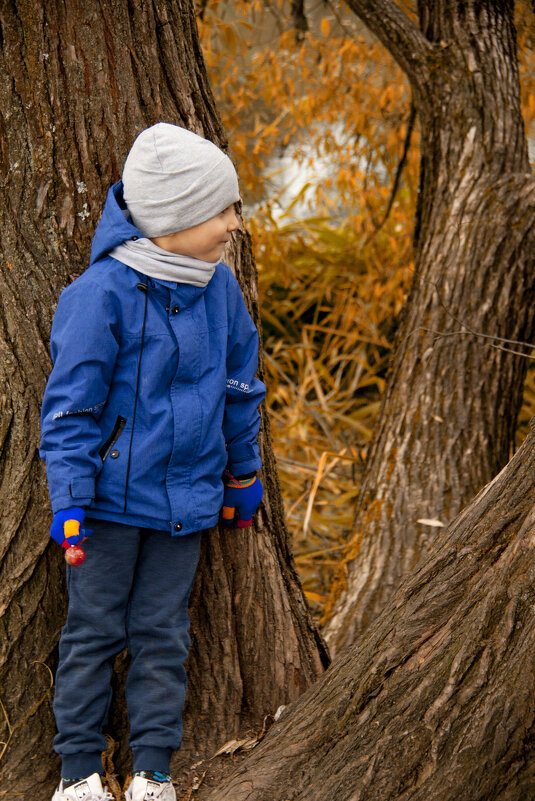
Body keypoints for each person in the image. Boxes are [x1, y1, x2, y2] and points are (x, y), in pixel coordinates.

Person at [40, 123, 265, 801]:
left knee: (164, 635)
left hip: (185, 506)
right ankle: (78, 772)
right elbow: (70, 409)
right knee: (92, 634)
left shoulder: (220, 291)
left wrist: (243, 473)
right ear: (176, 216)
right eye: (222, 210)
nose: (233, 224)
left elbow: (238, 386)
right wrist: (70, 500)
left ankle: (152, 770)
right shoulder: (100, 294)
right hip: (107, 509)